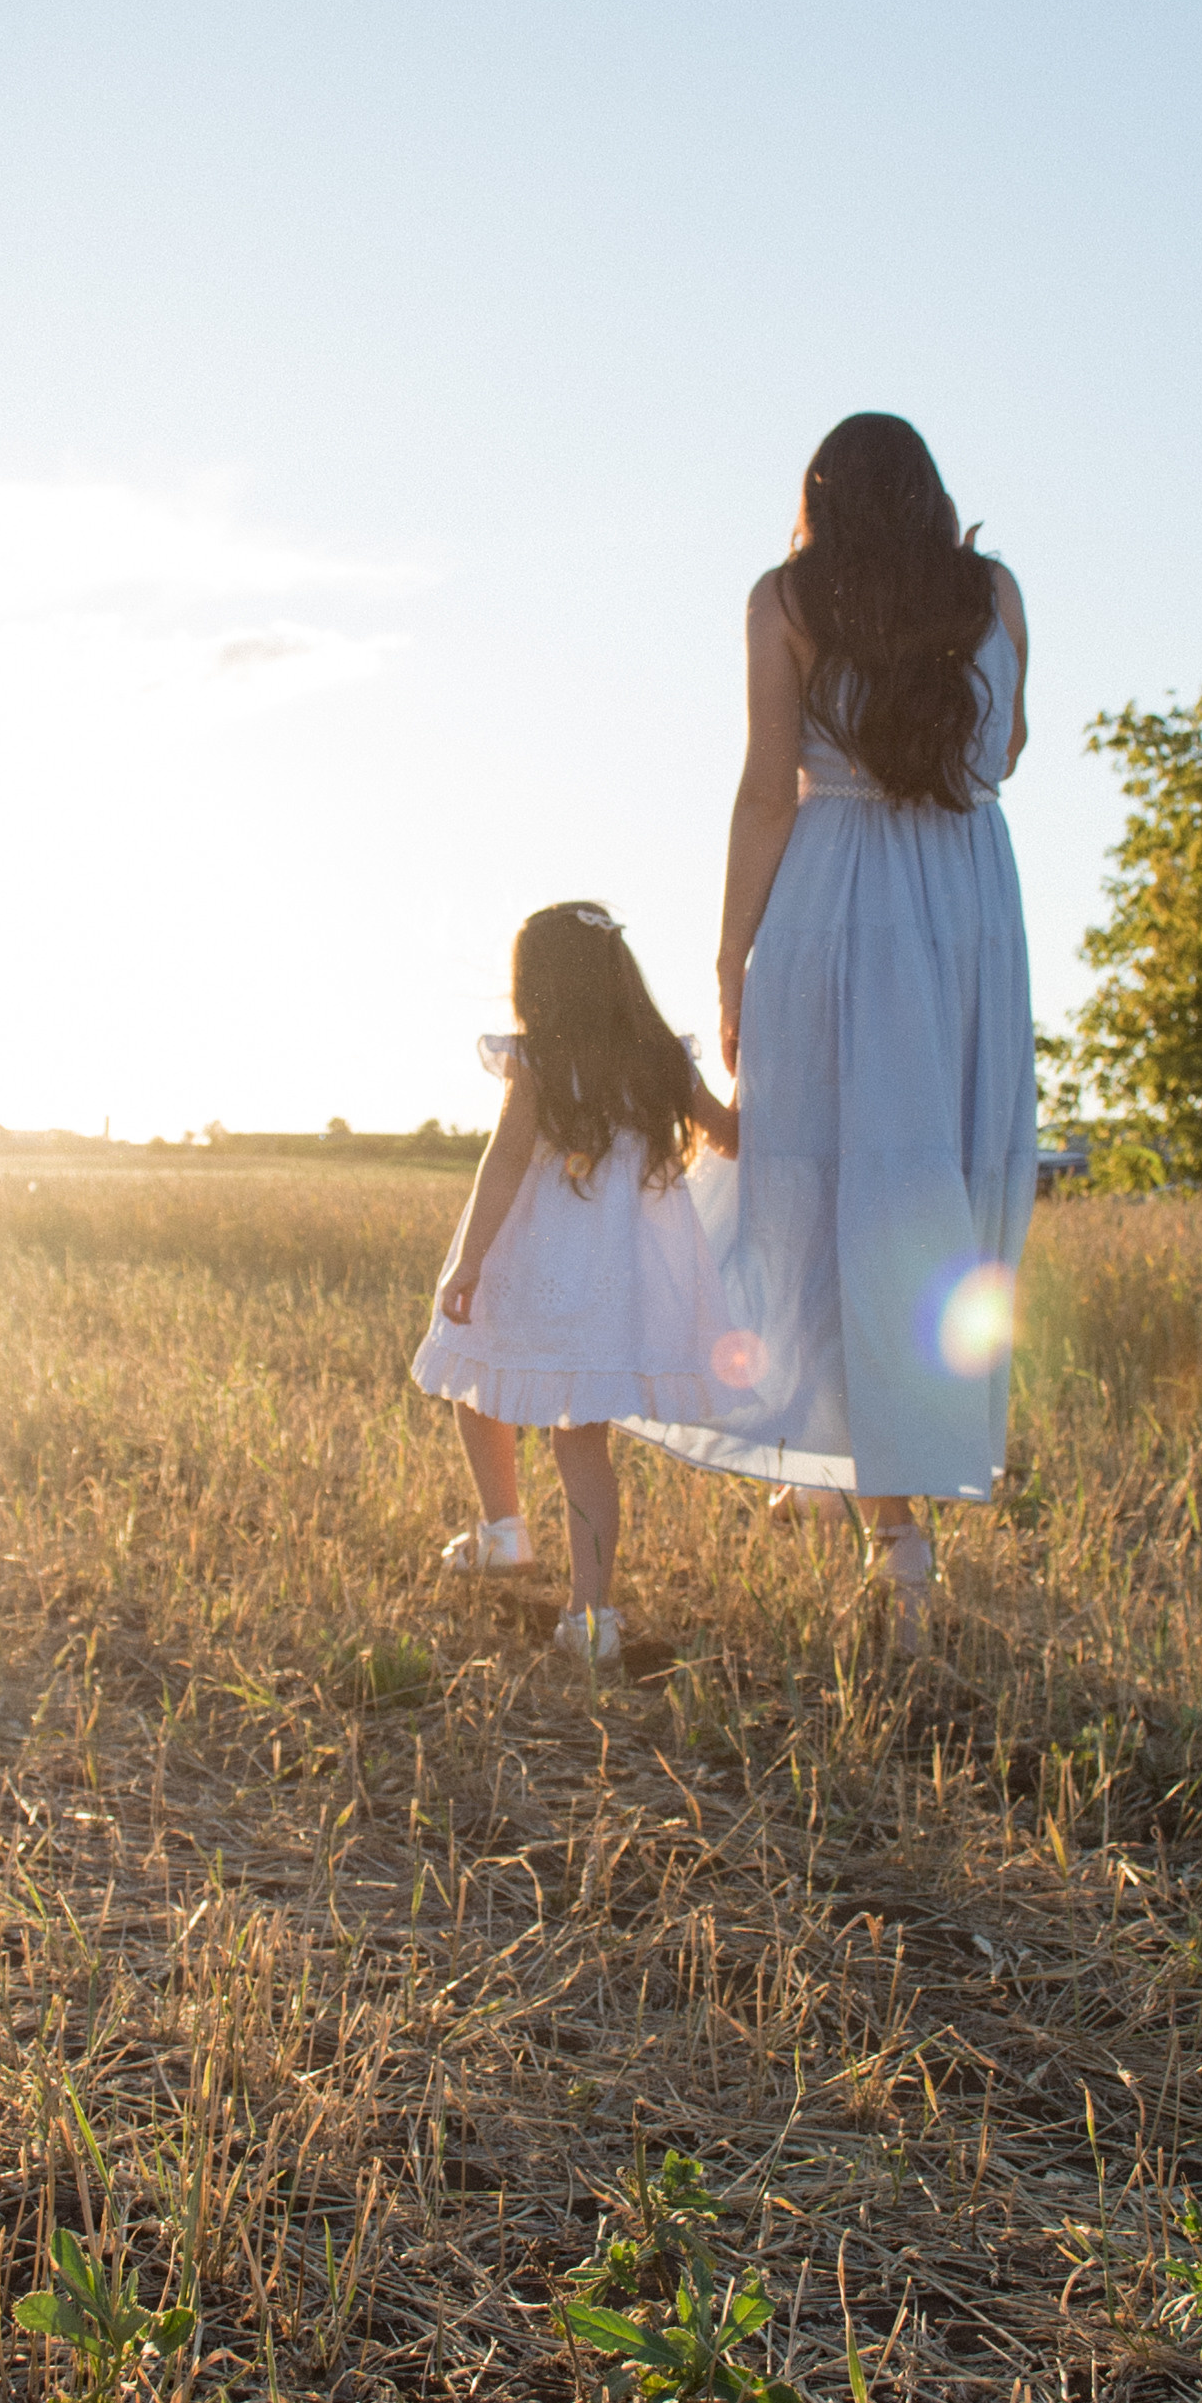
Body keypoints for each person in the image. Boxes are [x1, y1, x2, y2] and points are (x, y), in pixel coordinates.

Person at [623, 413, 1035, 1644]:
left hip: (835, 895)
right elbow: (1008, 747)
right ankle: (890, 1500)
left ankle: (892, 1529)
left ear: (818, 499)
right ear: (929, 495)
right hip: (967, 902)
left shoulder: (786, 598)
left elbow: (765, 785)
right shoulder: (995, 588)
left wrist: (730, 955)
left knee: (823, 1188)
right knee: (934, 1192)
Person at [411, 902, 738, 1670]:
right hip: (615, 1284)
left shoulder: (539, 1060)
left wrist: (469, 1261)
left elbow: (505, 1163)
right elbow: (730, 1136)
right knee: (581, 1439)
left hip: (530, 1261)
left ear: (540, 983)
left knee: (476, 1369)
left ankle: (504, 1532)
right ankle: (592, 1618)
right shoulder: (665, 1062)